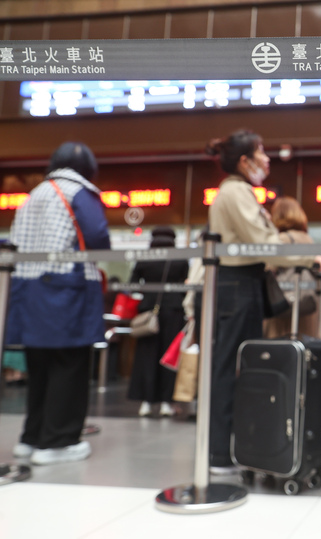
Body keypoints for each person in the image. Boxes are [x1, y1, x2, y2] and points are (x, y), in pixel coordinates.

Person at [205, 129, 321, 474]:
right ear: (245, 161)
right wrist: (309, 258)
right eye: (261, 152)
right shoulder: (235, 193)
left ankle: (229, 447)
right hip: (237, 283)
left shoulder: (238, 192)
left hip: (243, 283)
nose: (267, 158)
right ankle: (219, 453)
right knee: (228, 369)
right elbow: (264, 242)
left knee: (235, 365)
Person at [6, 142, 110, 465]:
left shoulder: (35, 194)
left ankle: (32, 436)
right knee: (69, 363)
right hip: (66, 289)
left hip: (27, 288)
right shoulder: (79, 191)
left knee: (40, 366)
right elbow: (98, 237)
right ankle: (58, 441)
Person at [127, 227, 189, 418]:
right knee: (168, 357)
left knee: (147, 356)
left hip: (148, 312)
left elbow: (132, 284)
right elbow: (185, 285)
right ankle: (166, 402)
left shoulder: (145, 257)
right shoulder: (179, 258)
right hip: (174, 311)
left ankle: (145, 403)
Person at [265, 196, 319, 339]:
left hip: (284, 307)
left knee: (280, 350)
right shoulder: (308, 239)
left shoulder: (282, 239)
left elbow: (269, 267)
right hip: (307, 305)